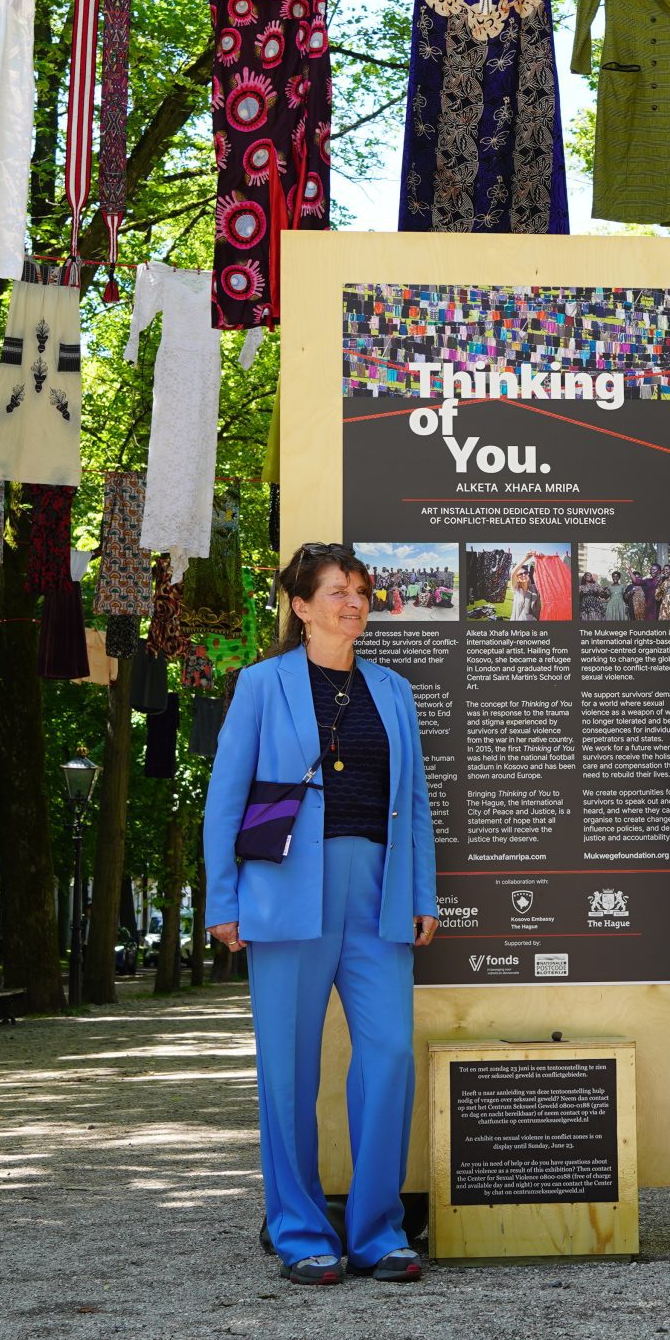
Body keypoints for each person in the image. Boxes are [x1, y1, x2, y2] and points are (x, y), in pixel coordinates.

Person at [204, 543, 439, 1286]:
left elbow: (420, 806)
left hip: (379, 892)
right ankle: (301, 1228)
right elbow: (226, 797)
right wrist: (221, 899)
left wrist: (423, 894)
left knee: (390, 1054)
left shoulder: (394, 691)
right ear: (301, 606)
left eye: (362, 590)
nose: (354, 602)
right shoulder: (260, 685)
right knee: (288, 1070)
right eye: (338, 590)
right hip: (283, 895)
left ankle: (376, 1229)